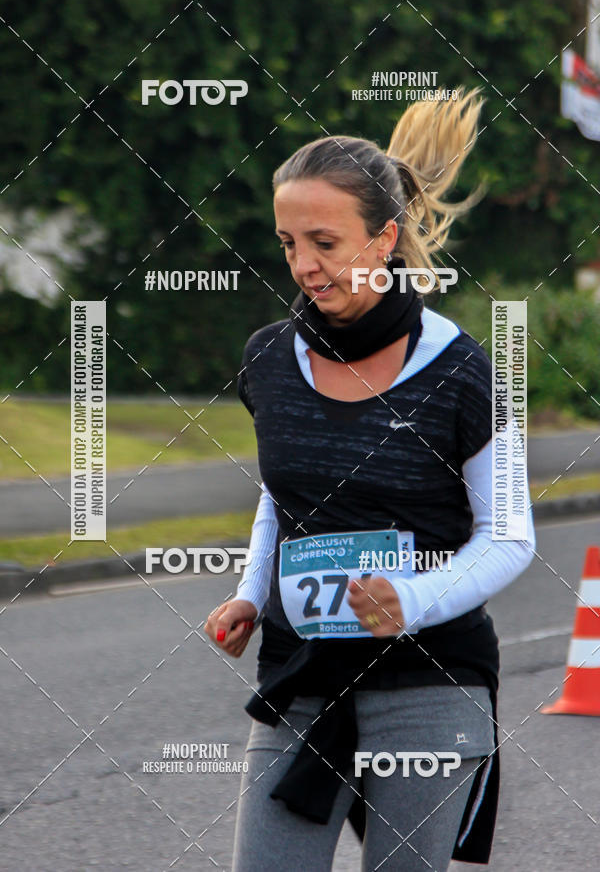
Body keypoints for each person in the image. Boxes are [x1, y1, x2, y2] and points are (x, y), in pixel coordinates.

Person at [204, 86, 536, 871]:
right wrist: (253, 590)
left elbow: (510, 535)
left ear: (384, 238)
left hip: (429, 679)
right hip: (300, 670)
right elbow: (280, 493)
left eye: (324, 241)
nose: (304, 266)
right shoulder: (267, 359)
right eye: (288, 243)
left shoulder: (463, 372)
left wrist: (411, 598)